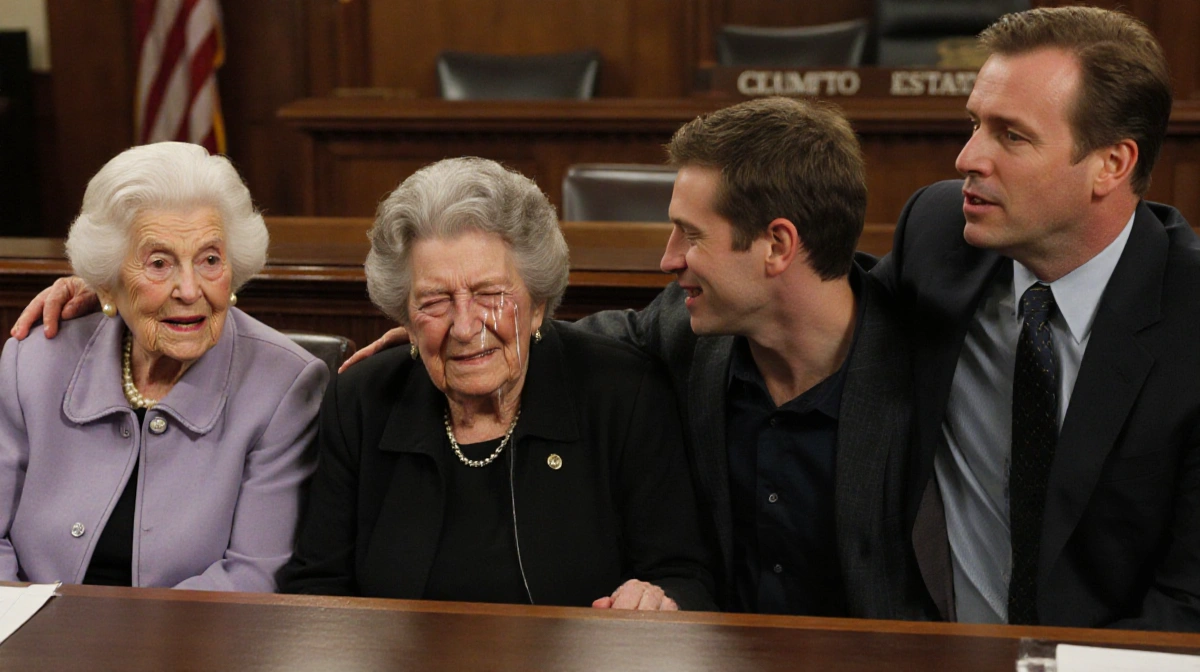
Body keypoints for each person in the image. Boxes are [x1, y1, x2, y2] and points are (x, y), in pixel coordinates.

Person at [334, 99, 934, 618]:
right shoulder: (681, 334)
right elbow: (571, 335)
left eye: (689, 234)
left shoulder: (928, 366)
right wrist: (450, 331)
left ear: (777, 244)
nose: (669, 260)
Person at [874, 6, 1200, 629]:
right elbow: (820, 319)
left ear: (1111, 164)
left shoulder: (1189, 319)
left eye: (1011, 135)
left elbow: (1189, 604)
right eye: (974, 124)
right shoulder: (938, 234)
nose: (968, 157)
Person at [276, 157, 714, 609]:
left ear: (538, 304)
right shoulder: (363, 400)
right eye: (435, 301)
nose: (465, 327)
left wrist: (658, 600)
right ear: (404, 315)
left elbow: (684, 577)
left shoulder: (624, 395)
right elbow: (316, 586)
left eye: (490, 294)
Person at [0, 142, 327, 590]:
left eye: (210, 259)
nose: (189, 289)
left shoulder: (283, 386)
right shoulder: (34, 361)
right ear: (108, 282)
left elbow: (253, 574)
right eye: (159, 263)